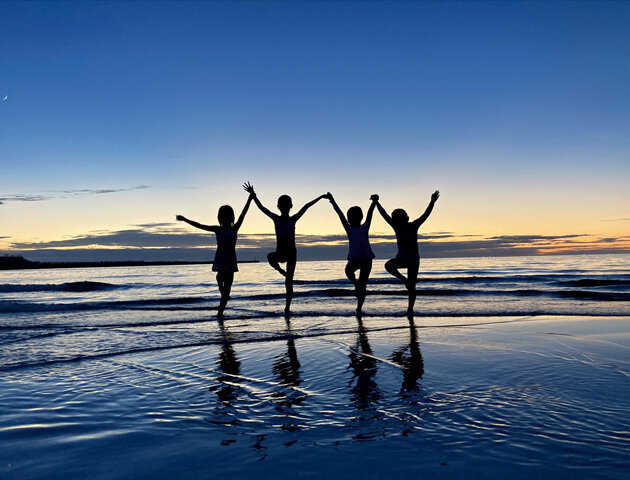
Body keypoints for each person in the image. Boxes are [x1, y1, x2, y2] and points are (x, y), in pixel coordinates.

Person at [244, 182, 327, 316]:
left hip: (291, 253)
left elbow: (306, 206)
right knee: (270, 258)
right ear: (278, 207)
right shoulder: (276, 218)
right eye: (282, 205)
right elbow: (262, 208)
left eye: (286, 205)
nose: (284, 207)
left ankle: (287, 308)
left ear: (290, 206)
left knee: (288, 283)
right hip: (281, 253)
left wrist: (320, 197)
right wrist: (253, 195)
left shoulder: (292, 219)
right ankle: (282, 272)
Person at [176, 186, 254, 317]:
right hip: (220, 259)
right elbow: (200, 225)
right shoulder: (217, 229)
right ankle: (221, 290)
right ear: (219, 218)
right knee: (220, 276)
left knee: (227, 290)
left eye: (227, 217)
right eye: (222, 217)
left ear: (231, 217)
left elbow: (243, 213)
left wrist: (250, 197)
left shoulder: (235, 228)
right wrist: (185, 220)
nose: (225, 219)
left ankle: (220, 313)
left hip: (230, 260)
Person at [375, 190, 440, 316]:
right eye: (396, 218)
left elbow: (425, 214)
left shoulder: (413, 225)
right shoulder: (396, 227)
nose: (399, 220)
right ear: (395, 220)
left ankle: (410, 309)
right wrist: (377, 203)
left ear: (406, 218)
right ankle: (404, 279)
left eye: (401, 217)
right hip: (402, 259)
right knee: (388, 265)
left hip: (413, 260)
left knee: (412, 287)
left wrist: (432, 201)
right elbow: (384, 215)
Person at [326, 192, 378, 314]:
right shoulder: (348, 228)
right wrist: (332, 200)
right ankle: (356, 284)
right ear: (349, 218)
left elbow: (370, 214)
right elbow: (339, 213)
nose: (351, 218)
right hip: (354, 258)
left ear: (360, 217)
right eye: (350, 216)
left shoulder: (364, 227)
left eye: (354, 216)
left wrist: (374, 203)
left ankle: (359, 308)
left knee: (363, 283)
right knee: (348, 271)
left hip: (366, 258)